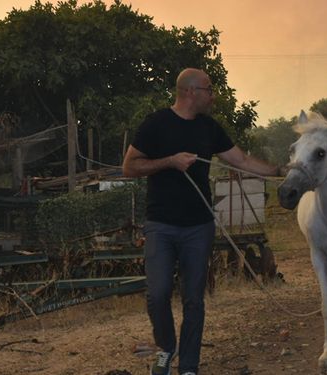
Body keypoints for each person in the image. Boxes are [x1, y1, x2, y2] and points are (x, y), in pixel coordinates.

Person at [122, 68, 280, 375]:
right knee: (157, 295)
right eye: (209, 89)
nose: (213, 95)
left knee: (194, 300)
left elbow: (243, 161)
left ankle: (189, 367)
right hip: (161, 225)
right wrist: (170, 161)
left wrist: (279, 171)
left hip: (198, 226)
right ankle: (167, 348)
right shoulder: (156, 124)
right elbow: (129, 167)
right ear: (191, 92)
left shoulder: (210, 128)